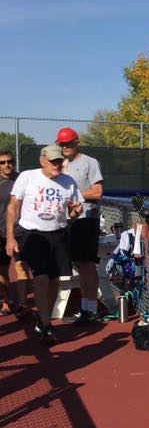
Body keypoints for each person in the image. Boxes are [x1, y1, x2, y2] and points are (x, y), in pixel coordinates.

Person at [5, 144, 83, 342]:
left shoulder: (69, 182)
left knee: (55, 281)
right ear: (42, 160)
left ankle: (42, 317)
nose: (57, 165)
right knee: (41, 278)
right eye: (53, 161)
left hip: (58, 234)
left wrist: (75, 212)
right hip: (32, 234)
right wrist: (10, 237)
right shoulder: (28, 177)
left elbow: (72, 214)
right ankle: (47, 325)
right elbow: (13, 207)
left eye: (60, 161)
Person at [57, 127, 105, 324]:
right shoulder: (61, 165)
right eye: (62, 144)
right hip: (68, 222)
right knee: (78, 265)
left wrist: (72, 195)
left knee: (86, 265)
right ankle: (85, 309)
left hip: (86, 220)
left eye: (68, 143)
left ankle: (92, 310)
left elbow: (97, 192)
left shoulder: (89, 163)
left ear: (76, 143)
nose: (65, 147)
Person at [0, 150, 30, 317]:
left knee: (21, 266)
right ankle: (6, 301)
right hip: (0, 232)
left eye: (10, 161)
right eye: (2, 162)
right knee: (3, 270)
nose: (7, 165)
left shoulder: (22, 180)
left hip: (19, 231)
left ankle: (24, 304)